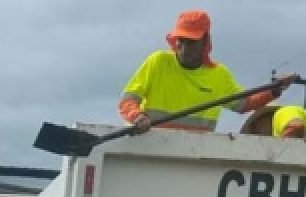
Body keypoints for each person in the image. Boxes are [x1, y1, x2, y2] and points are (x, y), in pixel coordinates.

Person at [119, 10, 295, 133]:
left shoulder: (218, 75)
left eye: (191, 40)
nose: (183, 45)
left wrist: (274, 90)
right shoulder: (158, 62)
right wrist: (137, 116)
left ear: (205, 41)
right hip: (149, 148)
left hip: (196, 154)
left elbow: (244, 104)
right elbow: (128, 99)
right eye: (181, 39)